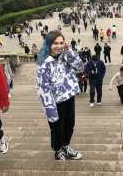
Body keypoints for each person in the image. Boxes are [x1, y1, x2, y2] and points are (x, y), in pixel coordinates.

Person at [37, 31, 84, 160]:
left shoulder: (65, 55)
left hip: (69, 97)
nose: (59, 46)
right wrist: (50, 111)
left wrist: (69, 51)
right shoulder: (44, 65)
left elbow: (80, 67)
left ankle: (66, 147)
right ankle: (58, 150)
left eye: (61, 43)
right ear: (49, 44)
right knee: (57, 128)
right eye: (55, 43)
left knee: (70, 125)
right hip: (55, 102)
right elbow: (43, 90)